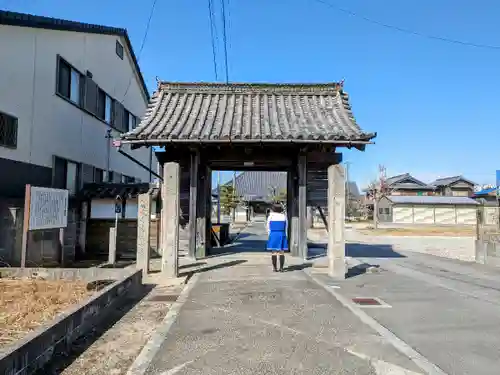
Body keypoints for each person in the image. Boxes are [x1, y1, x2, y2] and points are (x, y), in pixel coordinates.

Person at [266, 203, 288, 272]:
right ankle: (281, 268)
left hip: (273, 234)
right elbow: (286, 227)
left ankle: (275, 268)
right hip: (281, 233)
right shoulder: (284, 216)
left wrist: (269, 235)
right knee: (281, 252)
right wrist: (285, 235)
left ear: (273, 209)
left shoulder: (270, 217)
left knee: (274, 252)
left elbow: (268, 227)